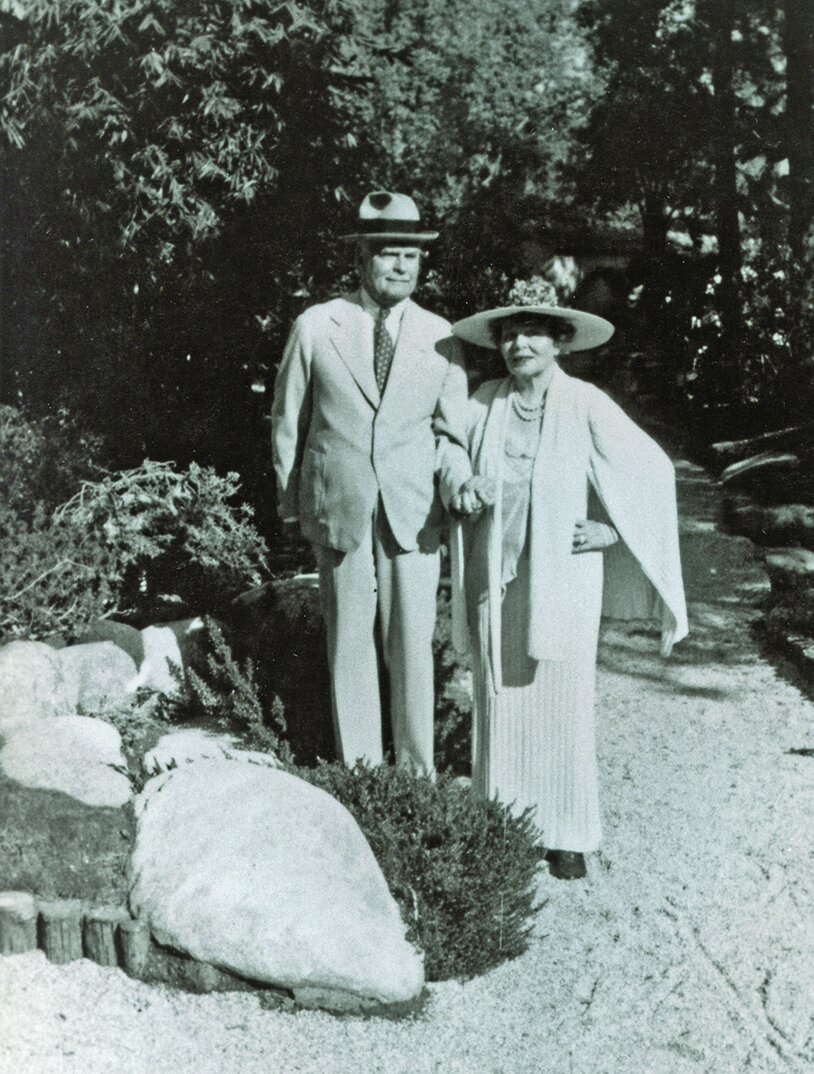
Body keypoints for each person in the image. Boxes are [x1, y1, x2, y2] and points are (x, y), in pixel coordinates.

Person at [449, 283, 688, 879]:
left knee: (563, 703)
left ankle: (567, 836)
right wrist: (462, 482)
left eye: (533, 332)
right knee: (499, 701)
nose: (519, 344)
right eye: (510, 334)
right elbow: (447, 448)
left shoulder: (585, 403)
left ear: (560, 342)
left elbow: (652, 470)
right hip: (497, 577)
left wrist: (611, 528)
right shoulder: (484, 401)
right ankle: (500, 826)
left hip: (564, 579)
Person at [271, 191, 488, 775]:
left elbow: (451, 432)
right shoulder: (317, 326)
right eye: (389, 254)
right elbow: (289, 421)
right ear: (361, 258)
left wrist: (457, 482)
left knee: (412, 643)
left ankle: (415, 778)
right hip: (339, 508)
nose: (401, 267)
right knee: (348, 642)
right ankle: (362, 775)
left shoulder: (441, 336)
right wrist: (292, 507)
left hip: (412, 511)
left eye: (411, 256)